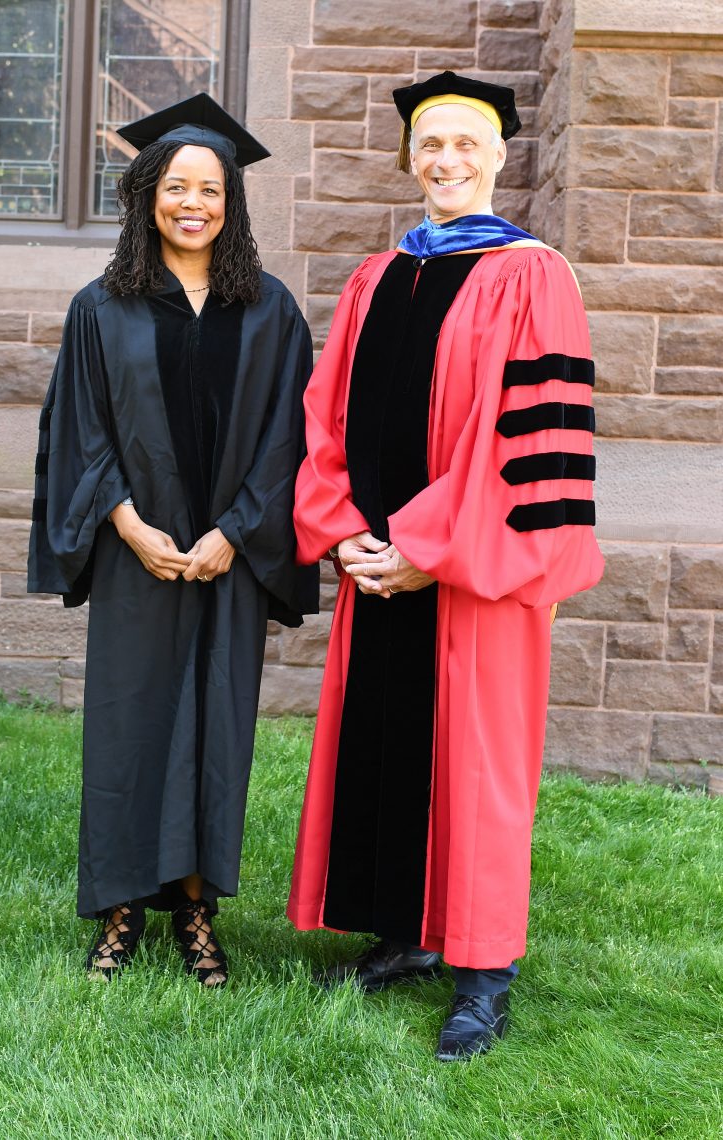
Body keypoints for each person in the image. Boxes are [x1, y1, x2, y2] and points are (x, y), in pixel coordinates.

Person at [288, 72, 604, 1058]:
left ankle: (481, 970)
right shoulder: (378, 279)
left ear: (499, 158)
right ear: (408, 159)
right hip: (375, 566)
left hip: (473, 571)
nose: (447, 162)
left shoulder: (532, 275)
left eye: (467, 144)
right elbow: (325, 418)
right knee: (385, 741)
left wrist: (426, 553)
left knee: (477, 765)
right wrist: (341, 531)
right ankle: (401, 936)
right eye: (430, 145)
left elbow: (528, 448)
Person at [28, 93, 318, 985]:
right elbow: (80, 429)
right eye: (176, 186)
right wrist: (124, 520)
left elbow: (289, 438)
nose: (194, 203)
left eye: (212, 190)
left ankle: (194, 906)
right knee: (128, 727)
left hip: (227, 562)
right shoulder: (102, 308)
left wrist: (236, 533)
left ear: (231, 205)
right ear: (147, 191)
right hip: (135, 555)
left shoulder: (269, 311)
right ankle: (120, 908)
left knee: (214, 731)